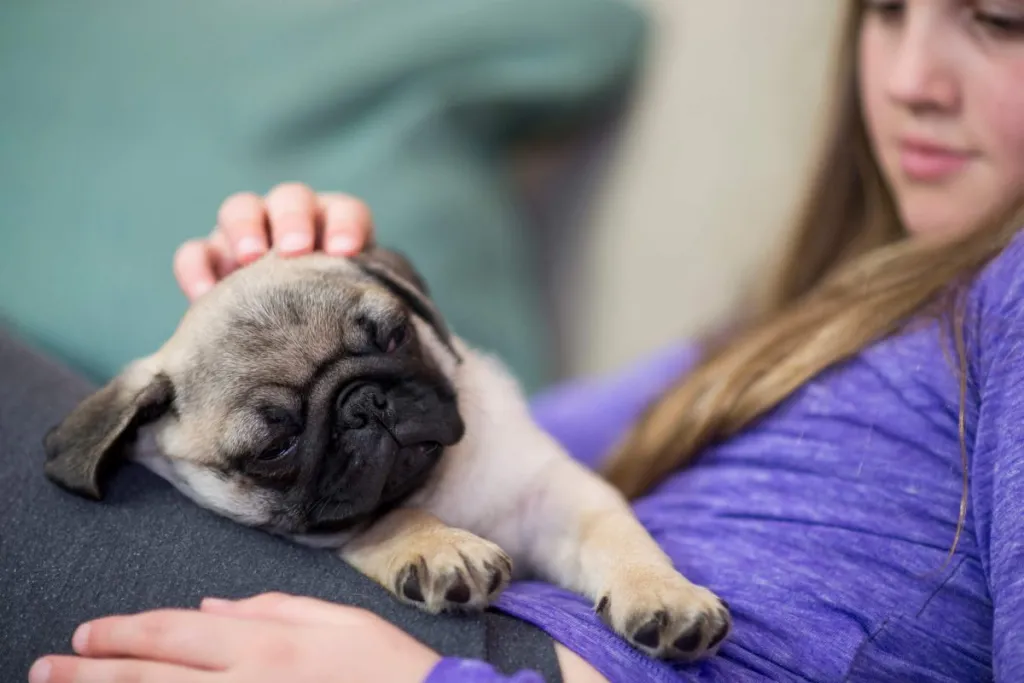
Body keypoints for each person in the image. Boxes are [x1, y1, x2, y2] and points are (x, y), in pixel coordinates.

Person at [8, 0, 1024, 680]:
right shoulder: (798, 324)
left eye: (995, 18)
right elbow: (526, 456)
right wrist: (331, 279)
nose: (908, 78)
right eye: (886, 10)